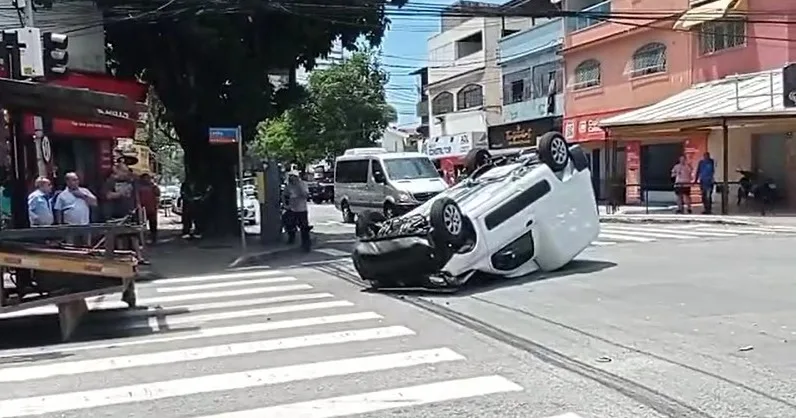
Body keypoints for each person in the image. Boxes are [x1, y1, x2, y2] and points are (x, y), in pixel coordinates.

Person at [282, 170, 310, 251]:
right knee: (289, 224)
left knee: (304, 228)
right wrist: (285, 205)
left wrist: (299, 187)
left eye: (293, 177)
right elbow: (284, 195)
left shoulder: (303, 184)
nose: (291, 179)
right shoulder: (289, 186)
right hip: (292, 209)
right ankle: (291, 238)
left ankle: (306, 245)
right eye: (290, 177)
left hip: (302, 209)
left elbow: (306, 195)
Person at [137, 173, 160, 244]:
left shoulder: (152, 187)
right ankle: (150, 238)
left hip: (148, 208)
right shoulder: (152, 186)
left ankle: (151, 238)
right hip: (145, 208)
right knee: (149, 224)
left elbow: (157, 195)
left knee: (150, 224)